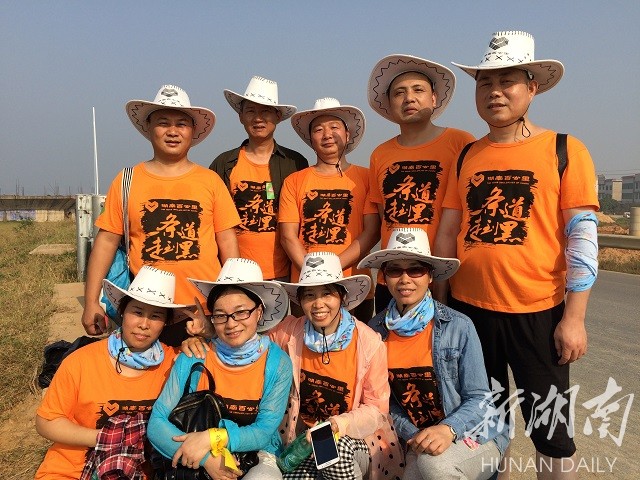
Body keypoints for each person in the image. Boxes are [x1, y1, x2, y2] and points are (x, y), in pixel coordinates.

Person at [435, 31, 599, 479]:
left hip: (538, 312)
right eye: (485, 83)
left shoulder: (564, 149)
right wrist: (442, 305)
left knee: (550, 429)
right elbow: (449, 231)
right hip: (470, 312)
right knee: (485, 423)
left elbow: (583, 239)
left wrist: (574, 318)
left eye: (506, 81)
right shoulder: (468, 155)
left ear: (532, 88)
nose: (495, 92)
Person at [81, 84, 240, 346]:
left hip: (203, 311)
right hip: (147, 312)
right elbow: (106, 242)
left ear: (192, 131)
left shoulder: (210, 181)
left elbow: (227, 240)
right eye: (163, 123)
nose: (173, 131)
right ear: (149, 128)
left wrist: (230, 297)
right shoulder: (127, 181)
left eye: (181, 124)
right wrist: (90, 302)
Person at [358, 228, 509, 479]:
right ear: (384, 277)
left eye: (415, 270)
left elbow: (480, 398)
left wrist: (448, 429)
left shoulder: (458, 326)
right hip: (418, 439)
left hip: (472, 432)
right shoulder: (374, 332)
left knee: (435, 466)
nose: (405, 279)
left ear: (430, 276)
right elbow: (386, 403)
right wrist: (415, 434)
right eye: (395, 270)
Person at [35, 266, 188, 479]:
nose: (144, 324)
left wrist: (202, 339)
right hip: (71, 471)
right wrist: (106, 438)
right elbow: (46, 422)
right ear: (122, 312)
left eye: (155, 316)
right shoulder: (81, 361)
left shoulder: (177, 363)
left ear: (165, 323)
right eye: (137, 312)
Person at [148, 258, 293, 480]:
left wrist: (213, 438)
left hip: (257, 454)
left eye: (241, 312)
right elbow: (156, 423)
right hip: (197, 452)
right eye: (220, 315)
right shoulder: (194, 356)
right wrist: (207, 459)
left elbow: (264, 432)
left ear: (259, 312)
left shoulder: (277, 363)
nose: (231, 323)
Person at [269, 251, 404, 479]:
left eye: (327, 294)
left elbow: (377, 408)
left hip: (354, 439)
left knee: (332, 450)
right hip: (303, 441)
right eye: (309, 295)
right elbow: (253, 348)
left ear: (342, 297)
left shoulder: (368, 342)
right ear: (300, 301)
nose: (318, 304)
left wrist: (336, 424)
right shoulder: (288, 333)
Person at [367, 54, 475, 313]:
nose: (409, 98)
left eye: (418, 90)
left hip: (446, 275)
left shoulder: (460, 143)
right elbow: (384, 215)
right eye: (399, 93)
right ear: (390, 103)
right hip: (393, 278)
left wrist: (442, 288)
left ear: (434, 98)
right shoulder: (380, 153)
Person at [279, 98, 380, 320]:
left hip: (354, 285)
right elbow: (288, 236)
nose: (327, 134)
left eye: (334, 127)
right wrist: (313, 274)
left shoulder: (366, 178)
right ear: (311, 138)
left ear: (347, 134)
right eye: (318, 129)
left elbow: (372, 231)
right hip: (306, 287)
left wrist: (332, 270)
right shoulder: (294, 181)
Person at [210, 76, 309, 281]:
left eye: (265, 112)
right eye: (251, 111)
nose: (258, 119)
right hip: (238, 273)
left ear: (278, 116)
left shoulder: (295, 162)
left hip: (284, 272)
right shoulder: (224, 163)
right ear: (241, 116)